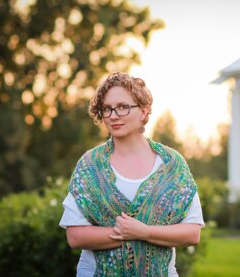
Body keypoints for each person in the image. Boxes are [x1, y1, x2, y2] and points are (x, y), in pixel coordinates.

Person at [59, 72, 204, 276]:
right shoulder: (90, 166)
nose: (113, 115)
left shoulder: (172, 165)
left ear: (144, 111)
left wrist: (144, 232)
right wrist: (125, 233)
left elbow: (192, 232)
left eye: (123, 107)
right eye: (107, 109)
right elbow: (75, 236)